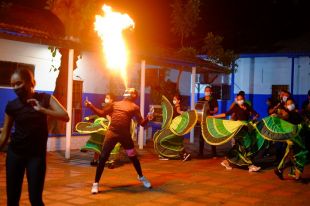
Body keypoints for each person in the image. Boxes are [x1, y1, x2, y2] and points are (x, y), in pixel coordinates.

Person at [0, 68, 69, 206]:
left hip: (36, 156)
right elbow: (5, 133)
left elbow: (65, 116)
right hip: (15, 154)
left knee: (35, 199)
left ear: (31, 82)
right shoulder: (12, 106)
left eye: (18, 83)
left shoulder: (45, 99)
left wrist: (43, 110)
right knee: (12, 199)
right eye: (12, 85)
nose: (15, 88)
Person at [84, 88, 152, 194]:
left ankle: (141, 177)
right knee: (102, 158)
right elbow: (102, 113)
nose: (129, 91)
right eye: (129, 90)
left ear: (134, 95)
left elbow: (142, 123)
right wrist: (90, 105)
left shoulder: (134, 107)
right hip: (112, 134)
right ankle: (96, 183)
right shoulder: (115, 104)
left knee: (133, 157)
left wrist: (148, 118)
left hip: (125, 136)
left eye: (132, 91)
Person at [212, 93, 261, 172]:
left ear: (244, 99)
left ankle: (226, 162)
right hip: (239, 128)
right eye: (238, 99)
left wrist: (255, 117)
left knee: (238, 147)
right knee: (245, 146)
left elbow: (256, 114)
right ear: (236, 100)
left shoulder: (247, 106)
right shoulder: (236, 107)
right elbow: (226, 114)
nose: (240, 101)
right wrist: (213, 116)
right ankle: (250, 165)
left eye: (241, 99)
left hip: (246, 127)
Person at [274, 98, 307, 180]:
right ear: (285, 105)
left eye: (291, 103)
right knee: (300, 154)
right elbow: (283, 117)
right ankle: (295, 175)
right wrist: (277, 116)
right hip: (293, 138)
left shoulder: (296, 113)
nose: (290, 105)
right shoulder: (287, 113)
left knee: (291, 155)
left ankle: (280, 169)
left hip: (297, 137)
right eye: (288, 104)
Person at [88, 93, 116, 166]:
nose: (105, 99)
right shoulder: (106, 107)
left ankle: (110, 160)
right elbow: (101, 113)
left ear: (112, 100)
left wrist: (110, 119)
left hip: (111, 128)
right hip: (103, 127)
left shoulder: (114, 107)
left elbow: (108, 116)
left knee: (109, 144)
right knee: (98, 141)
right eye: (105, 97)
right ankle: (95, 159)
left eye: (107, 98)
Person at [198, 86, 218, 158]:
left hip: (210, 120)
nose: (207, 92)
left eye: (208, 90)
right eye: (206, 90)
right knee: (201, 137)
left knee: (211, 136)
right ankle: (200, 153)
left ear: (211, 92)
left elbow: (216, 109)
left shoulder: (213, 100)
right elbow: (198, 108)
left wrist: (210, 111)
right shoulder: (201, 99)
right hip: (202, 120)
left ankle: (214, 153)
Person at [172, 94, 191, 161]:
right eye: (173, 99)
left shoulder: (177, 106)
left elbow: (178, 111)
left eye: (175, 99)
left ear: (178, 101)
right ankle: (183, 154)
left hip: (176, 127)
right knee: (176, 141)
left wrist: (184, 113)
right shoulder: (175, 106)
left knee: (177, 141)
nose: (173, 100)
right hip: (175, 126)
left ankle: (185, 154)